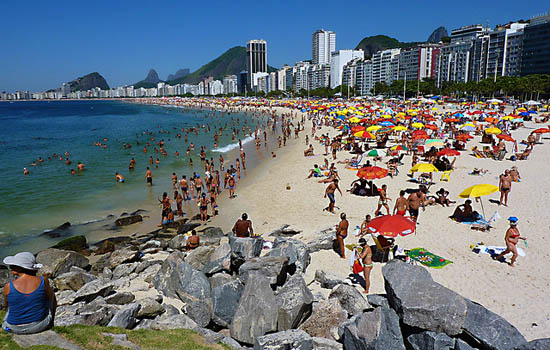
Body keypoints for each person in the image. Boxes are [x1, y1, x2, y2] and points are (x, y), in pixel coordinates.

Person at [2, 252, 56, 334]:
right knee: (50, 296)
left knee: (9, 311)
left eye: (13, 265)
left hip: (13, 328)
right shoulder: (43, 280)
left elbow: (7, 306)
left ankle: (5, 329)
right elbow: (50, 298)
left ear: (20, 268)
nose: (10, 267)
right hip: (39, 326)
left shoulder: (8, 286)